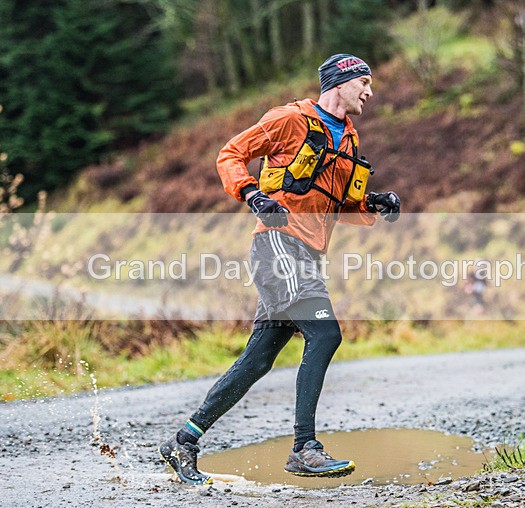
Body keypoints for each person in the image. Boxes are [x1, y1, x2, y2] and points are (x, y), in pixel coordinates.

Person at [159, 53, 401, 484]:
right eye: (364, 82)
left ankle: (184, 441)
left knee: (257, 361)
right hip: (277, 245)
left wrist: (372, 204)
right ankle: (304, 448)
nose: (369, 91)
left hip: (307, 254)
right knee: (325, 333)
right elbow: (230, 154)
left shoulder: (348, 138)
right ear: (339, 82)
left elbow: (333, 204)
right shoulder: (289, 119)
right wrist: (252, 194)